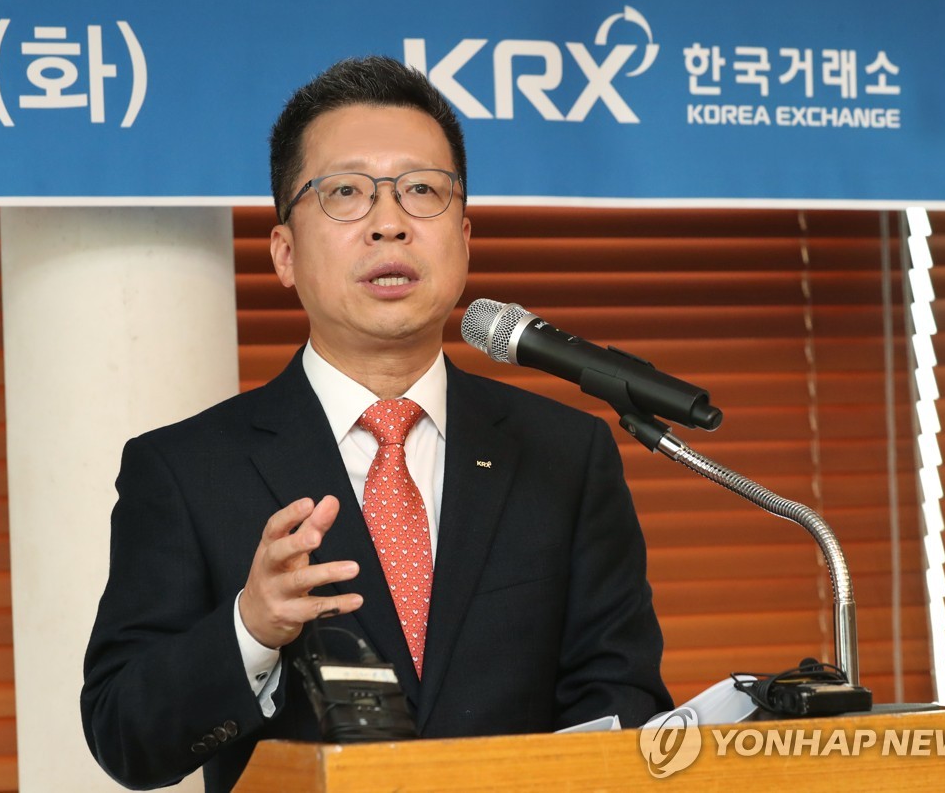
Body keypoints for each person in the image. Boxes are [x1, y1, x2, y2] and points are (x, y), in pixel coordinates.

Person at [81, 55, 672, 792]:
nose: (389, 224)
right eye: (346, 193)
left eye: (421, 190)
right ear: (285, 254)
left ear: (464, 238)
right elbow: (125, 737)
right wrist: (250, 628)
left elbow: (620, 701)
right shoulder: (186, 469)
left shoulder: (565, 454)